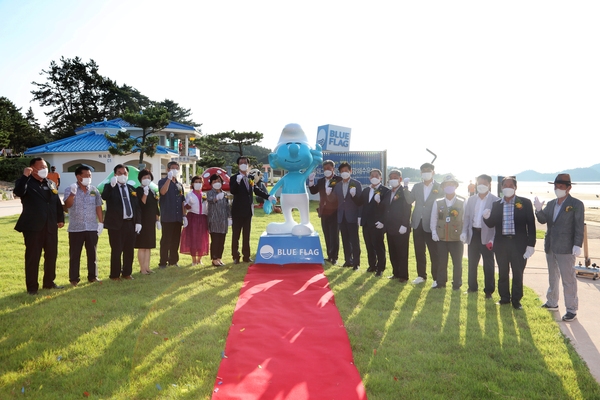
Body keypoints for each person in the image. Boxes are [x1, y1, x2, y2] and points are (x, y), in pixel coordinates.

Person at [535, 173, 584, 322]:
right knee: (552, 277)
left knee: (568, 279)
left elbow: (578, 226)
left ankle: (571, 309)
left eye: (561, 186)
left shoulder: (576, 205)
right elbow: (543, 220)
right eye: (556, 186)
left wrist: (577, 244)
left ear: (568, 188)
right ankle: (552, 302)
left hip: (567, 247)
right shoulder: (551, 204)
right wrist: (538, 210)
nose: (557, 189)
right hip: (551, 246)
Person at [14, 157, 65, 294]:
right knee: (33, 257)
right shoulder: (26, 182)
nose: (44, 169)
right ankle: (32, 287)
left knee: (51, 255)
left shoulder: (50, 183)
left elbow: (56, 202)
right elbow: (18, 192)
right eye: (41, 167)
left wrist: (60, 218)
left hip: (50, 226)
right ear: (33, 168)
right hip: (33, 227)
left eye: (45, 167)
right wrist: (25, 176)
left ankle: (49, 282)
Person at [483, 176, 536, 310]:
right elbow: (491, 224)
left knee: (518, 273)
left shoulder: (525, 203)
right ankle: (504, 298)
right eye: (505, 185)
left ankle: (516, 300)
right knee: (502, 273)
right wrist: (486, 217)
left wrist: (531, 245)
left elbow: (531, 225)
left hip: (519, 245)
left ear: (515, 187)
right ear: (501, 188)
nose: (508, 188)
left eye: (510, 185)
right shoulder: (497, 204)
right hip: (501, 244)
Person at [63, 165, 103, 286]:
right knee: (75, 254)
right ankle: (74, 279)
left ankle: (93, 276)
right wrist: (72, 194)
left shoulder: (93, 190)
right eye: (86, 175)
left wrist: (101, 222)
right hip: (76, 228)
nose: (88, 178)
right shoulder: (70, 189)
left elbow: (98, 206)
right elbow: (66, 206)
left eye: (90, 175)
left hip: (91, 227)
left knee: (92, 253)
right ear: (78, 176)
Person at [404, 162, 443, 285]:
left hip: (432, 224)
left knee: (434, 252)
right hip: (417, 223)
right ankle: (421, 275)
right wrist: (405, 187)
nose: (426, 172)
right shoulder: (416, 186)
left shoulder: (439, 187)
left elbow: (442, 206)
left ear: (433, 172)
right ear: (421, 173)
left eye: (428, 170)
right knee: (419, 251)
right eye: (423, 171)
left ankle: (436, 278)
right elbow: (410, 200)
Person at [461, 174, 499, 298]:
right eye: (479, 183)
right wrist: (464, 232)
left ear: (489, 185)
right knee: (472, 263)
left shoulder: (495, 200)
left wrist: (493, 240)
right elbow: (466, 217)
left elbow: (497, 223)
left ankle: (489, 291)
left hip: (487, 236)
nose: (481, 186)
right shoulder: (471, 200)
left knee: (488, 264)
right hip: (474, 234)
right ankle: (472, 287)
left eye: (484, 183)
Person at [102, 164, 142, 281]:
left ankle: (127, 273)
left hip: (130, 223)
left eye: (125, 173)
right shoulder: (109, 187)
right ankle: (114, 275)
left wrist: (138, 222)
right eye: (120, 173)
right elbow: (104, 197)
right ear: (115, 175)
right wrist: (111, 185)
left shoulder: (131, 189)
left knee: (129, 250)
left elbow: (137, 207)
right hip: (116, 224)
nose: (122, 175)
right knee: (116, 250)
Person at [229, 156, 271, 264]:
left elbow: (256, 190)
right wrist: (237, 182)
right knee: (236, 235)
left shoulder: (250, 178)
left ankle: (246, 256)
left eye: (245, 163)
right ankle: (235, 256)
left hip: (248, 211)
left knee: (246, 235)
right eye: (241, 162)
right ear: (238, 165)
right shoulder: (234, 178)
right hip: (237, 211)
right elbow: (233, 191)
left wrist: (268, 196)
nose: (243, 164)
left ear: (248, 165)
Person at [430, 175, 465, 290]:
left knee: (457, 262)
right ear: (443, 187)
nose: (449, 187)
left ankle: (457, 284)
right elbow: (434, 218)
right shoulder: (438, 202)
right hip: (441, 237)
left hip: (456, 237)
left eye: (451, 184)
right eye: (447, 185)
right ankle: (441, 282)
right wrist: (433, 232)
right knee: (441, 261)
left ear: (455, 186)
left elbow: (465, 219)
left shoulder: (462, 202)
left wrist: (464, 233)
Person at [328, 162, 363, 270]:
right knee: (345, 239)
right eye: (342, 171)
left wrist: (359, 216)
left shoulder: (356, 184)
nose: (344, 173)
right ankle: (348, 260)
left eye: (346, 171)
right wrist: (329, 193)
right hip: (341, 216)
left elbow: (360, 202)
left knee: (354, 240)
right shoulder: (337, 185)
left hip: (352, 216)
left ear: (350, 171)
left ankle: (356, 263)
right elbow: (333, 200)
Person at [356, 169, 389, 276]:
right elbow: (359, 203)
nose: (374, 177)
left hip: (377, 223)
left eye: (376, 175)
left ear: (380, 178)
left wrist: (383, 221)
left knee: (378, 246)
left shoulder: (385, 190)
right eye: (372, 176)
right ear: (369, 178)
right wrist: (353, 195)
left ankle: (380, 268)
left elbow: (387, 208)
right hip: (366, 223)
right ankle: (372, 265)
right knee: (369, 245)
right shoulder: (366, 190)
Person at [308, 160, 342, 265]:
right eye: (325, 169)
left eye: (329, 168)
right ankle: (329, 255)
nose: (326, 170)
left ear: (333, 169)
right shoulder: (322, 180)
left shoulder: (338, 180)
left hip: (335, 211)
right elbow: (314, 191)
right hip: (324, 212)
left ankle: (334, 257)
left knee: (334, 235)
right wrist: (311, 181)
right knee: (327, 234)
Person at [382, 169, 412, 282]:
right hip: (390, 227)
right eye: (391, 178)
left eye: (395, 177)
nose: (393, 180)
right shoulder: (388, 192)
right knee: (393, 251)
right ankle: (396, 273)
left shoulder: (404, 192)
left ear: (400, 179)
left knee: (402, 252)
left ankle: (403, 276)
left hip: (401, 228)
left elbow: (407, 208)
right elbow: (386, 208)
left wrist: (404, 224)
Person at [158, 161, 187, 268]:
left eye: (177, 168)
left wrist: (184, 215)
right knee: (166, 240)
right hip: (167, 216)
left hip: (177, 217)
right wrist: (169, 179)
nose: (175, 170)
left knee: (175, 240)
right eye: (173, 168)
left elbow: (182, 201)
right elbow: (162, 192)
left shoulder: (179, 185)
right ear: (168, 169)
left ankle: (173, 260)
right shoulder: (162, 181)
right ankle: (163, 262)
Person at [135, 169, 160, 274]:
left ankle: (147, 267)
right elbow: (141, 205)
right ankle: (142, 268)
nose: (146, 179)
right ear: (140, 179)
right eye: (144, 178)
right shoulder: (138, 190)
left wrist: (157, 220)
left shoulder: (153, 191)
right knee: (142, 246)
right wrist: (145, 193)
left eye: (148, 178)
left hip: (150, 221)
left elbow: (155, 206)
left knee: (149, 245)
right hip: (142, 221)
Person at [181, 175, 210, 266]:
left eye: (200, 182)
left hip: (203, 218)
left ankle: (199, 259)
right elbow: (186, 206)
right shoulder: (189, 194)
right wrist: (187, 206)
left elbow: (207, 207)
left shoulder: (204, 194)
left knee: (202, 239)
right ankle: (193, 260)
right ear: (193, 184)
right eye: (196, 182)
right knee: (193, 238)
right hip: (193, 218)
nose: (198, 184)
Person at [206, 173, 231, 266]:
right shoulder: (210, 193)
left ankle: (219, 258)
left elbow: (227, 206)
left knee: (222, 240)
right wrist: (216, 198)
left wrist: (230, 217)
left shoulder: (225, 194)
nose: (217, 183)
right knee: (215, 240)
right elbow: (210, 200)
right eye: (214, 181)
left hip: (223, 220)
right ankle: (214, 258)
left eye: (218, 181)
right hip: (214, 220)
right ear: (211, 183)